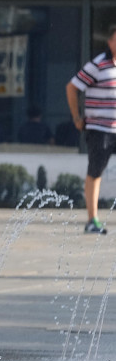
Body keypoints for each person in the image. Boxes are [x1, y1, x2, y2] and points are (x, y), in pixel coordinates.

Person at [66, 26, 116, 234]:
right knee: (95, 172)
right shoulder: (97, 65)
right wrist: (76, 117)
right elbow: (72, 87)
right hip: (99, 129)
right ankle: (92, 220)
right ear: (110, 42)